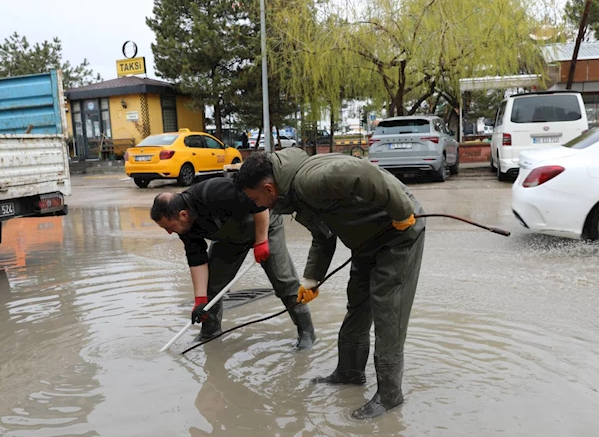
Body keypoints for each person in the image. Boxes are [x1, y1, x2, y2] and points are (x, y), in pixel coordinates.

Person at [233, 148, 425, 419]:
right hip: (367, 240)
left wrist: (402, 211)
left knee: (387, 310)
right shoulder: (295, 194)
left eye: (256, 199)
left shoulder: (309, 181)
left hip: (400, 232)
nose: (258, 206)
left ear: (268, 187)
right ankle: (349, 373)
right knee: (357, 303)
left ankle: (390, 395)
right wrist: (311, 280)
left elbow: (363, 172)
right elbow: (324, 235)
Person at [150, 177, 315, 350]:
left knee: (283, 280)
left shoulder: (215, 192)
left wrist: (260, 242)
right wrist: (200, 300)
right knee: (211, 287)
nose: (169, 232)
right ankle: (210, 333)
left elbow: (259, 205)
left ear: (182, 214)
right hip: (230, 239)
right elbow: (197, 260)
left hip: (264, 225)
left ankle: (306, 332)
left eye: (169, 227)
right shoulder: (185, 227)